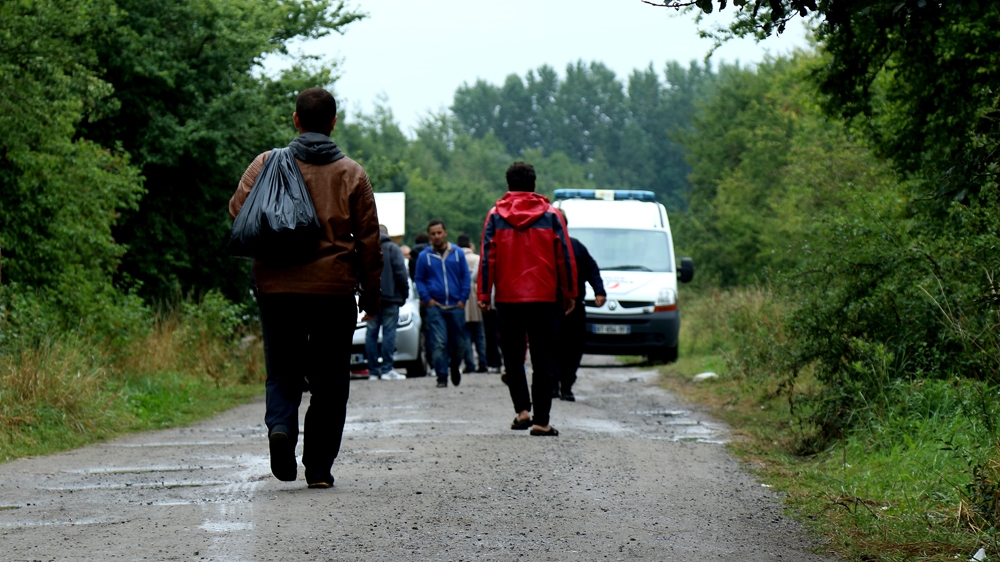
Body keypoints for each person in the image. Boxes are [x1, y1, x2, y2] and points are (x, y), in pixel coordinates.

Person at [229, 87, 381, 489]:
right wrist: (372, 292)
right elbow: (368, 239)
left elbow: (238, 211)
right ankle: (317, 469)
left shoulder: (266, 164)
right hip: (333, 289)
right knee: (331, 381)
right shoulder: (352, 173)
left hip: (277, 286)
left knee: (282, 371)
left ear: (295, 120)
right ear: (333, 123)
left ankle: (280, 427)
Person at [478, 162, 576, 436]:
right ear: (534, 185)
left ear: (508, 186)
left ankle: (522, 411)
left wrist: (484, 294)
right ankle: (541, 422)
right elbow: (564, 257)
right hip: (544, 298)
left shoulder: (495, 216)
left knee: (513, 357)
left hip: (509, 299)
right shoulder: (552, 215)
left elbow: (488, 257)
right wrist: (570, 293)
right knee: (542, 358)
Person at [553, 209, 607, 401]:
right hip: (550, 306)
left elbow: (592, 269)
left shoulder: (576, 247)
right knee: (551, 346)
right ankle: (553, 384)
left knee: (573, 348)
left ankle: (566, 385)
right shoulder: (542, 248)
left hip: (575, 308)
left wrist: (599, 290)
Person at [415, 220, 470, 388]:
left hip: (456, 305)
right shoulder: (425, 256)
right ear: (429, 236)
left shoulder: (457, 253)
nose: (436, 236)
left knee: (459, 343)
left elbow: (465, 277)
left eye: (439, 233)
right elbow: (419, 279)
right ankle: (441, 376)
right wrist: (427, 299)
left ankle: (455, 366)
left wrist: (463, 299)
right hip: (435, 306)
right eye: (433, 234)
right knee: (439, 342)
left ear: (445, 233)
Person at [366, 224, 409, 381]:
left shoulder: (368, 249)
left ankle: (372, 371)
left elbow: (360, 273)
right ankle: (387, 369)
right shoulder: (393, 248)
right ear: (387, 234)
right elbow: (401, 273)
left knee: (371, 333)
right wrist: (404, 294)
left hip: (372, 298)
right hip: (391, 298)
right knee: (389, 333)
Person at [457, 234, 488, 373]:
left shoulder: (456, 259)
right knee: (479, 334)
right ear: (470, 245)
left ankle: (469, 364)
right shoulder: (477, 259)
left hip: (462, 298)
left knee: (465, 334)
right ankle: (483, 362)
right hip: (476, 298)